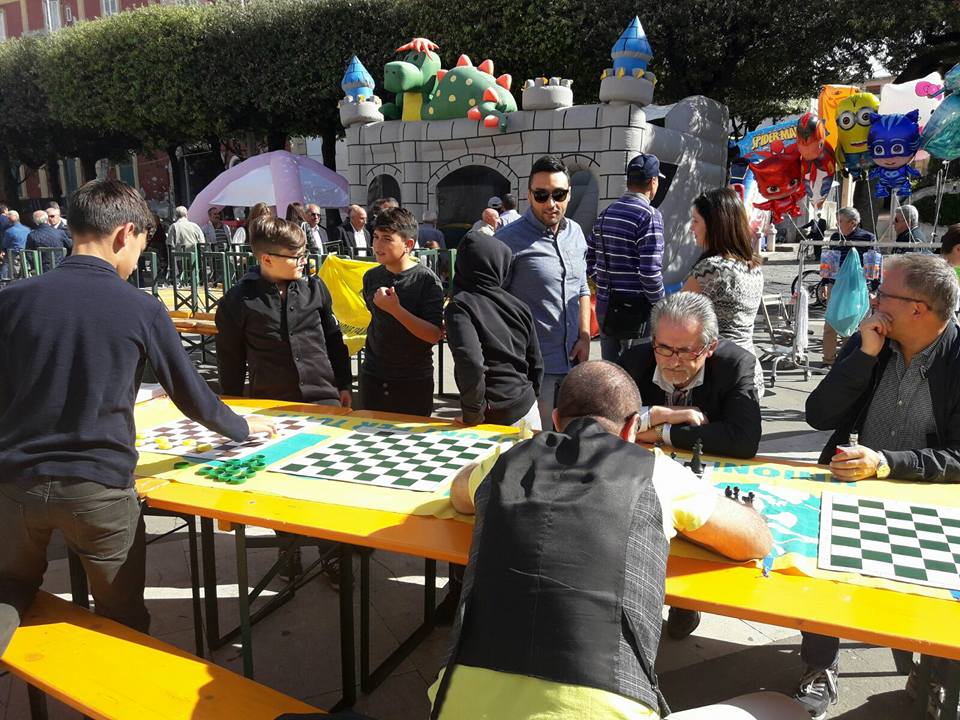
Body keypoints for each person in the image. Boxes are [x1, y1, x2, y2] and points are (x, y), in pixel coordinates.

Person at [0, 179, 275, 657]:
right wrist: (243, 427)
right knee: (123, 617)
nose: (136, 262)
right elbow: (191, 394)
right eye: (141, 247)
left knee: (8, 588)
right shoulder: (141, 307)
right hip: (99, 488)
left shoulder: (12, 299)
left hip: (15, 482)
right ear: (124, 233)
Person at [431, 361, 795, 720]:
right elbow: (755, 542)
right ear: (632, 427)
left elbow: (459, 494)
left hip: (455, 709)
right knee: (785, 708)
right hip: (609, 704)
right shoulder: (656, 472)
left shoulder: (505, 461)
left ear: (556, 419)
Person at [799, 253, 960, 719]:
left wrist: (887, 464)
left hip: (932, 498)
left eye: (883, 292)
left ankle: (934, 671)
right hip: (851, 486)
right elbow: (818, 414)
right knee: (821, 567)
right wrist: (864, 357)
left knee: (938, 590)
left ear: (917, 309)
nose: (873, 299)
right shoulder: (871, 339)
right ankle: (820, 667)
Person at [216, 216, 352, 583]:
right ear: (266, 259)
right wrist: (233, 413)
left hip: (322, 400)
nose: (303, 261)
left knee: (326, 481)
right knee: (280, 483)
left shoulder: (315, 289)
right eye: (296, 256)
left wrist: (344, 383)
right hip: (272, 406)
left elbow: (334, 341)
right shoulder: (237, 301)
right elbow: (230, 360)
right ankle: (288, 549)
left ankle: (331, 551)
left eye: (304, 253)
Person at [498, 155, 591, 430]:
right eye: (541, 195)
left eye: (558, 194)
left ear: (569, 194)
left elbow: (582, 287)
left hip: (574, 365)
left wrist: (585, 335)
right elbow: (492, 304)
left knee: (571, 441)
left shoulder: (576, 233)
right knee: (537, 444)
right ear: (529, 195)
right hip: (533, 372)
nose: (551, 203)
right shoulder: (507, 241)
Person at [618, 291, 762, 459]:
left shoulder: (735, 366)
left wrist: (662, 432)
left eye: (685, 352)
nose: (673, 362)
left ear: (710, 347)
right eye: (664, 348)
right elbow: (602, 420)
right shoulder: (634, 360)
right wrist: (661, 414)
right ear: (654, 340)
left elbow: (744, 441)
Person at [444, 231, 543, 428]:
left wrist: (472, 414)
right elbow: (536, 362)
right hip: (527, 406)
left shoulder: (461, 307)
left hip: (494, 416)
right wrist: (530, 395)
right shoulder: (518, 306)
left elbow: (471, 363)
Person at [359, 207, 444, 417]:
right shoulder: (371, 277)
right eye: (376, 237)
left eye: (387, 239)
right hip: (373, 375)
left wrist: (396, 310)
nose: (377, 244)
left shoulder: (426, 280)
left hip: (412, 380)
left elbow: (434, 334)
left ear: (408, 244)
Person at [683, 187, 765, 396]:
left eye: (695, 221)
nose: (691, 228)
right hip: (749, 367)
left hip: (717, 370)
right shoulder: (753, 267)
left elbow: (678, 318)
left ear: (714, 225)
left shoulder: (711, 269)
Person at [587, 152, 666, 360]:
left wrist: (603, 282)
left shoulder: (606, 213)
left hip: (605, 306)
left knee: (611, 372)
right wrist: (662, 304)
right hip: (636, 311)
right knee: (637, 371)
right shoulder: (649, 216)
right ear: (653, 181)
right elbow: (650, 273)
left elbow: (588, 258)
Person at [822, 207, 876, 364]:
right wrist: (824, 283)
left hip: (855, 289)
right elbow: (828, 262)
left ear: (853, 223)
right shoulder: (835, 237)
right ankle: (828, 359)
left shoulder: (867, 238)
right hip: (835, 286)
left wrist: (873, 289)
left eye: (840, 221)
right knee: (830, 323)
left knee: (851, 324)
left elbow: (873, 265)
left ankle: (846, 360)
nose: (837, 225)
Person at [165, 206, 205, 285]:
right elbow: (202, 243)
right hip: (195, 256)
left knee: (183, 278)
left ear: (176, 215)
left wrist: (170, 266)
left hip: (181, 257)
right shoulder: (195, 226)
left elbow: (170, 244)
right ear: (186, 215)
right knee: (195, 277)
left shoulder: (174, 226)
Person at [1, 210, 29, 280]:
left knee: (5, 265)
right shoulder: (27, 229)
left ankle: (4, 280)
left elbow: (5, 245)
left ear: (9, 220)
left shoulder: (9, 231)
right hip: (26, 254)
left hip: (13, 254)